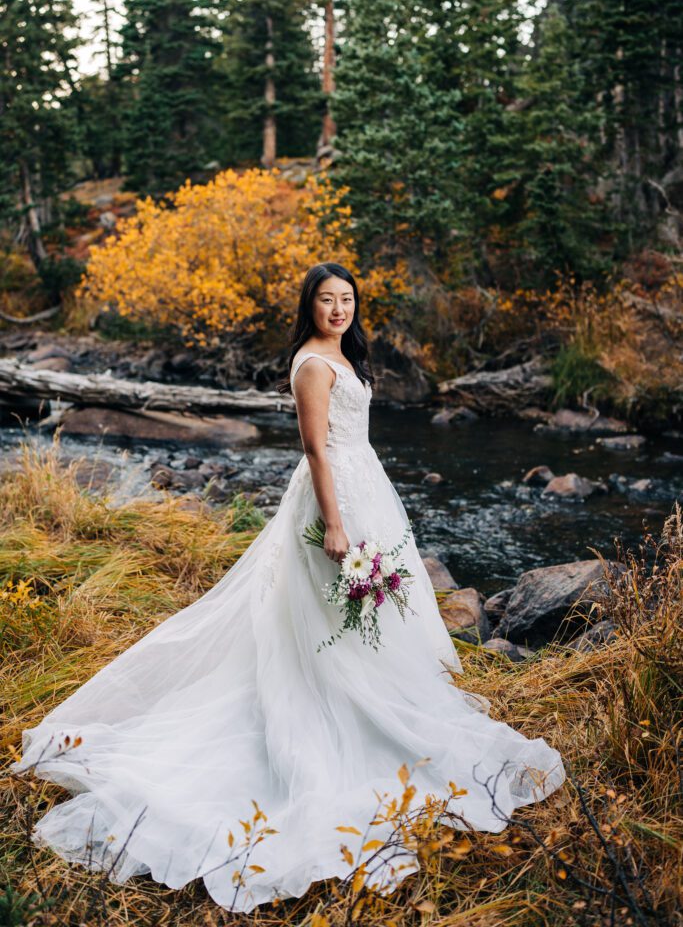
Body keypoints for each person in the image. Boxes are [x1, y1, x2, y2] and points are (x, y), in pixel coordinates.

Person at [13, 261, 566, 913]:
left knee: (371, 619)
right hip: (333, 500)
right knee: (332, 621)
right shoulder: (312, 364)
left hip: (366, 487)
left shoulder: (346, 355)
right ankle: (339, 709)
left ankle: (375, 699)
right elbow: (315, 450)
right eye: (327, 301)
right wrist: (335, 524)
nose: (338, 310)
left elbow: (350, 441)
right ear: (309, 308)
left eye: (347, 300)